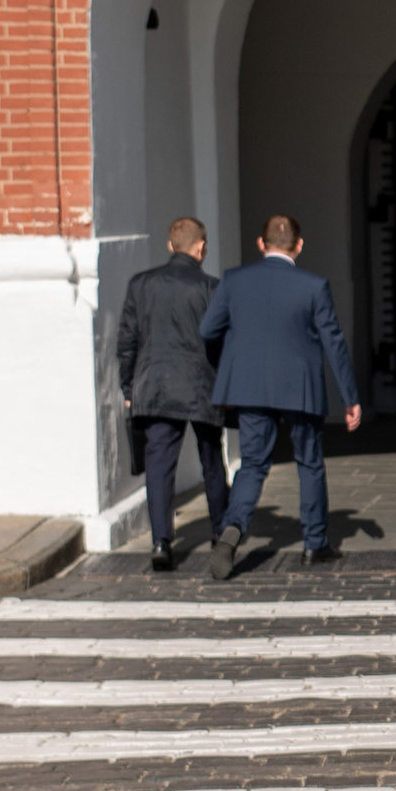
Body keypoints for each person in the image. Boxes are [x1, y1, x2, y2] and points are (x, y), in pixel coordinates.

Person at [199, 213, 362, 578]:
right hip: (299, 386)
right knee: (309, 462)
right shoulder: (314, 286)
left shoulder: (234, 281)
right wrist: (350, 397)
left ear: (261, 243)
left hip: (250, 387)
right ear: (299, 246)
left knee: (253, 464)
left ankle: (232, 530)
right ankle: (314, 543)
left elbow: (208, 329)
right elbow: (334, 345)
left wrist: (235, 359)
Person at [117, 215, 229, 572]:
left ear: (170, 245)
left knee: (159, 465)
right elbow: (222, 341)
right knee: (212, 459)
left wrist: (128, 386)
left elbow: (128, 340)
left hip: (155, 386)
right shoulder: (212, 288)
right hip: (201, 386)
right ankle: (219, 531)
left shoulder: (141, 284)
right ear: (202, 247)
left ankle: (161, 541)